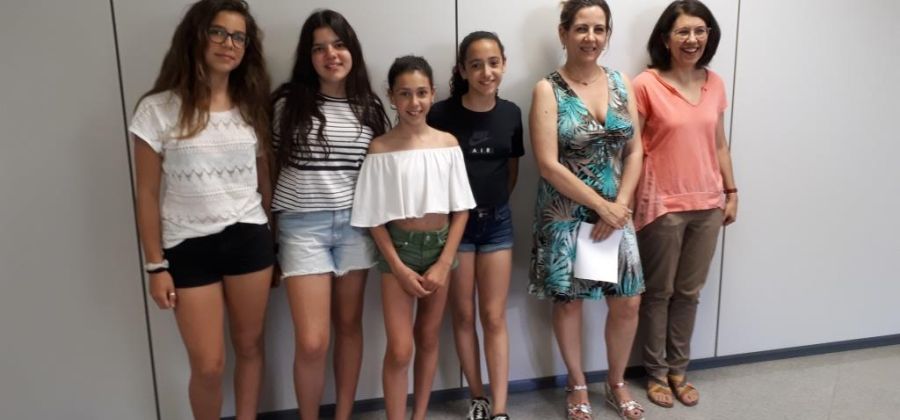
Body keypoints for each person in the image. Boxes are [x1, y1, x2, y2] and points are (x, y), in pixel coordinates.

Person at [130, 1, 273, 419]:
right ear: (196, 36)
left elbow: (264, 182)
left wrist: (273, 241)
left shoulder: (251, 106)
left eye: (239, 37)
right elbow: (146, 193)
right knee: (208, 365)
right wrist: (155, 266)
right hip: (188, 247)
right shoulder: (156, 110)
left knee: (250, 346)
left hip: (249, 239)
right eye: (218, 32)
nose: (229, 44)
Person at [270, 9, 390, 420]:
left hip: (355, 227)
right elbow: (269, 169)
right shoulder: (287, 103)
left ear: (352, 50)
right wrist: (269, 236)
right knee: (312, 341)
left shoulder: (370, 106)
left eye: (338, 45)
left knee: (349, 327)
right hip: (302, 228)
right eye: (319, 48)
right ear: (308, 57)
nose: (331, 55)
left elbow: (379, 174)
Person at [528, 1, 645, 419]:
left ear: (608, 34)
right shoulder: (547, 89)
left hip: (617, 209)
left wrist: (620, 205)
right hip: (565, 213)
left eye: (599, 29)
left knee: (627, 301)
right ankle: (577, 383)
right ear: (563, 33)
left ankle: (616, 382)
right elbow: (547, 164)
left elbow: (635, 150)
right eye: (581, 28)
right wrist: (599, 207)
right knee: (569, 302)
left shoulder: (621, 82)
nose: (591, 38)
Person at [351, 55, 476, 420]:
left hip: (440, 250)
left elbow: (461, 210)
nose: (414, 102)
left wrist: (443, 263)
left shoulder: (447, 144)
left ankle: (418, 415)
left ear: (433, 93)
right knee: (401, 348)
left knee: (428, 337)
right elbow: (373, 218)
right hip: (398, 252)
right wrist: (397, 267)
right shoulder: (380, 148)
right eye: (404, 93)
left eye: (421, 92)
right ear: (391, 96)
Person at [632, 0, 738, 408]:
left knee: (689, 292)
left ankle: (679, 369)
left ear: (709, 36)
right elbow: (633, 150)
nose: (692, 39)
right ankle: (656, 372)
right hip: (662, 205)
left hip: (708, 203)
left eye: (699, 31)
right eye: (683, 31)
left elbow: (719, 144)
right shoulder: (645, 84)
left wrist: (731, 191)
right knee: (658, 293)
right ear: (666, 38)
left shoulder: (715, 83)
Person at [427, 30, 523, 420]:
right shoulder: (440, 114)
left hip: (497, 223)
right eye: (477, 65)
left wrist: (493, 203)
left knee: (494, 316)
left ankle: (499, 408)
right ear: (463, 70)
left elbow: (511, 172)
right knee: (464, 316)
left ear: (504, 64)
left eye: (494, 63)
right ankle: (478, 397)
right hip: (456, 228)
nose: (487, 72)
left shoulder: (511, 113)